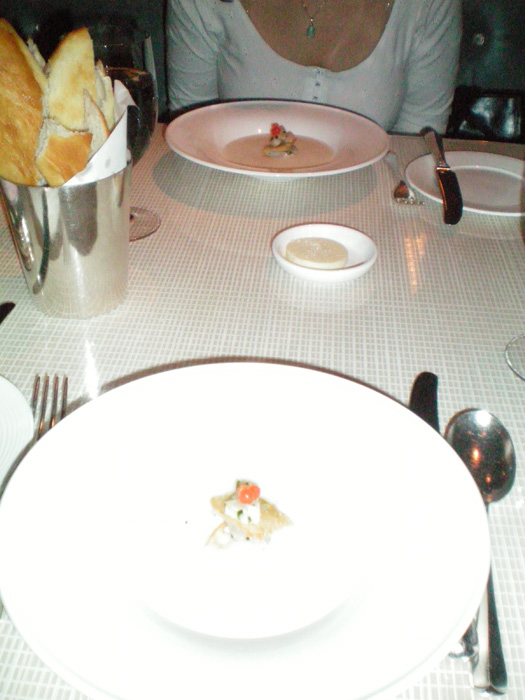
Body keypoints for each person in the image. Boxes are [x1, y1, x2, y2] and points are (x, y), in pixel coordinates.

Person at [166, 0, 461, 134]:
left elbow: (420, 141)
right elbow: (190, 131)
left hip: (370, 212)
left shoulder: (428, 5)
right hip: (234, 205)